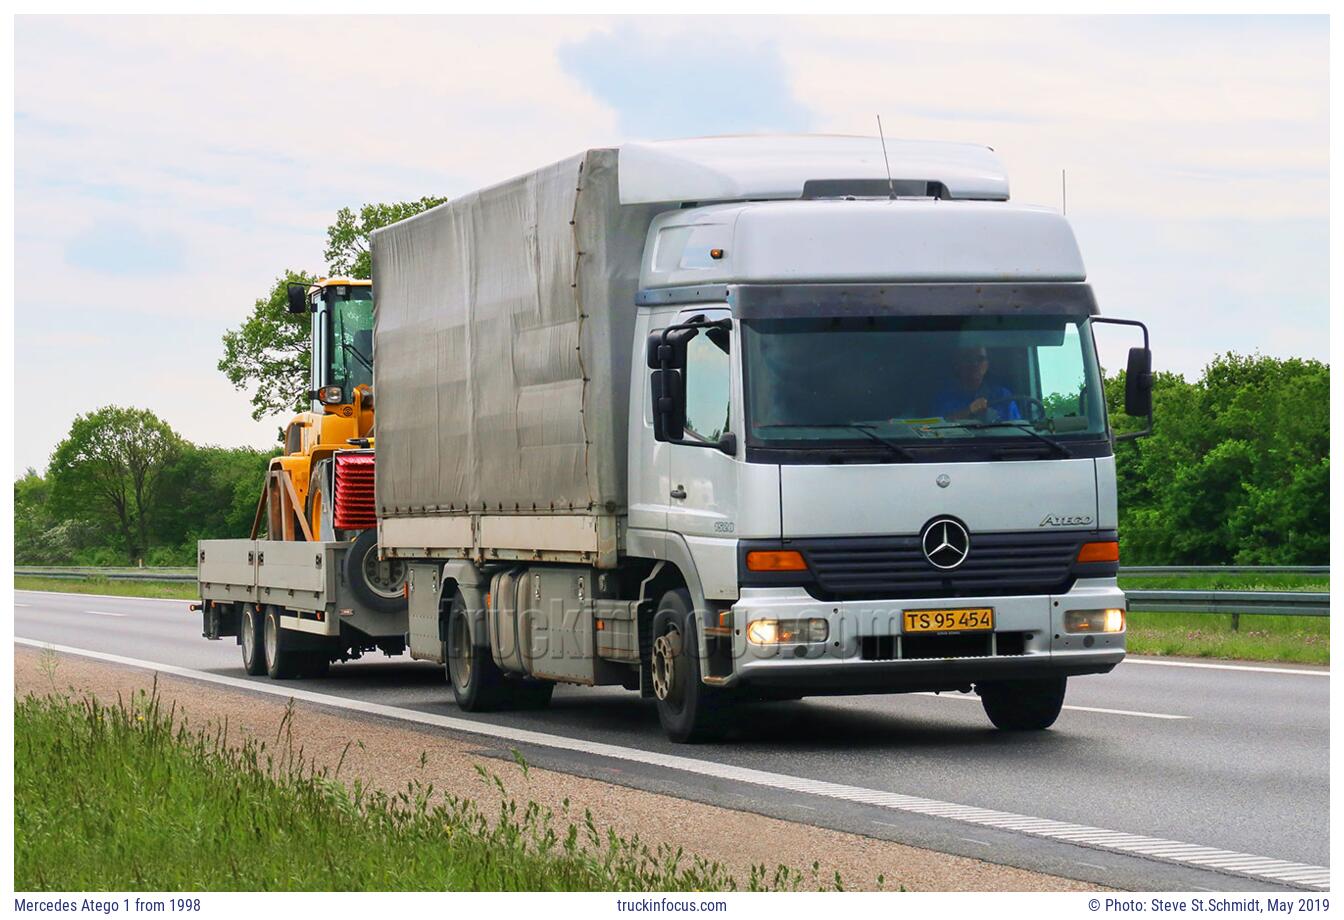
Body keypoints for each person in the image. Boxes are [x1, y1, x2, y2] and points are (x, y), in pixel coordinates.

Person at [934, 346, 1020, 421]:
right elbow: (935, 428)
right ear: (957, 365)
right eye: (968, 359)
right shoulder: (945, 397)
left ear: (987, 365)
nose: (975, 364)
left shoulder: (1003, 395)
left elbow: (1018, 429)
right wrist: (969, 411)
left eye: (980, 359)